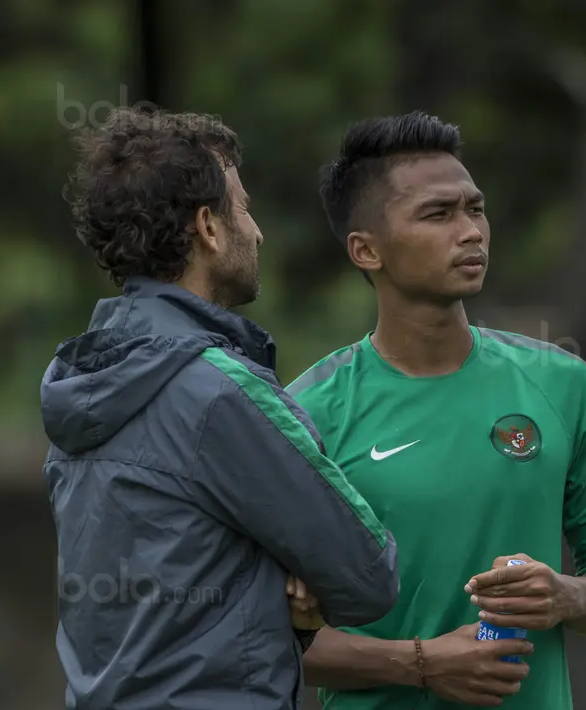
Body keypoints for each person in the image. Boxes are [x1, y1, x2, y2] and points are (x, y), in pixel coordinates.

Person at [286, 111, 586, 709]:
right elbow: (278, 641)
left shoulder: (564, 385)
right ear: (366, 250)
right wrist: (422, 666)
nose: (472, 231)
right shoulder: (306, 415)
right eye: (438, 214)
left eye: (475, 209)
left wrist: (567, 597)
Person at [42, 106, 399, 710]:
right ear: (208, 227)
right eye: (244, 207)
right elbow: (370, 577)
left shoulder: (78, 381)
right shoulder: (218, 391)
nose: (256, 230)